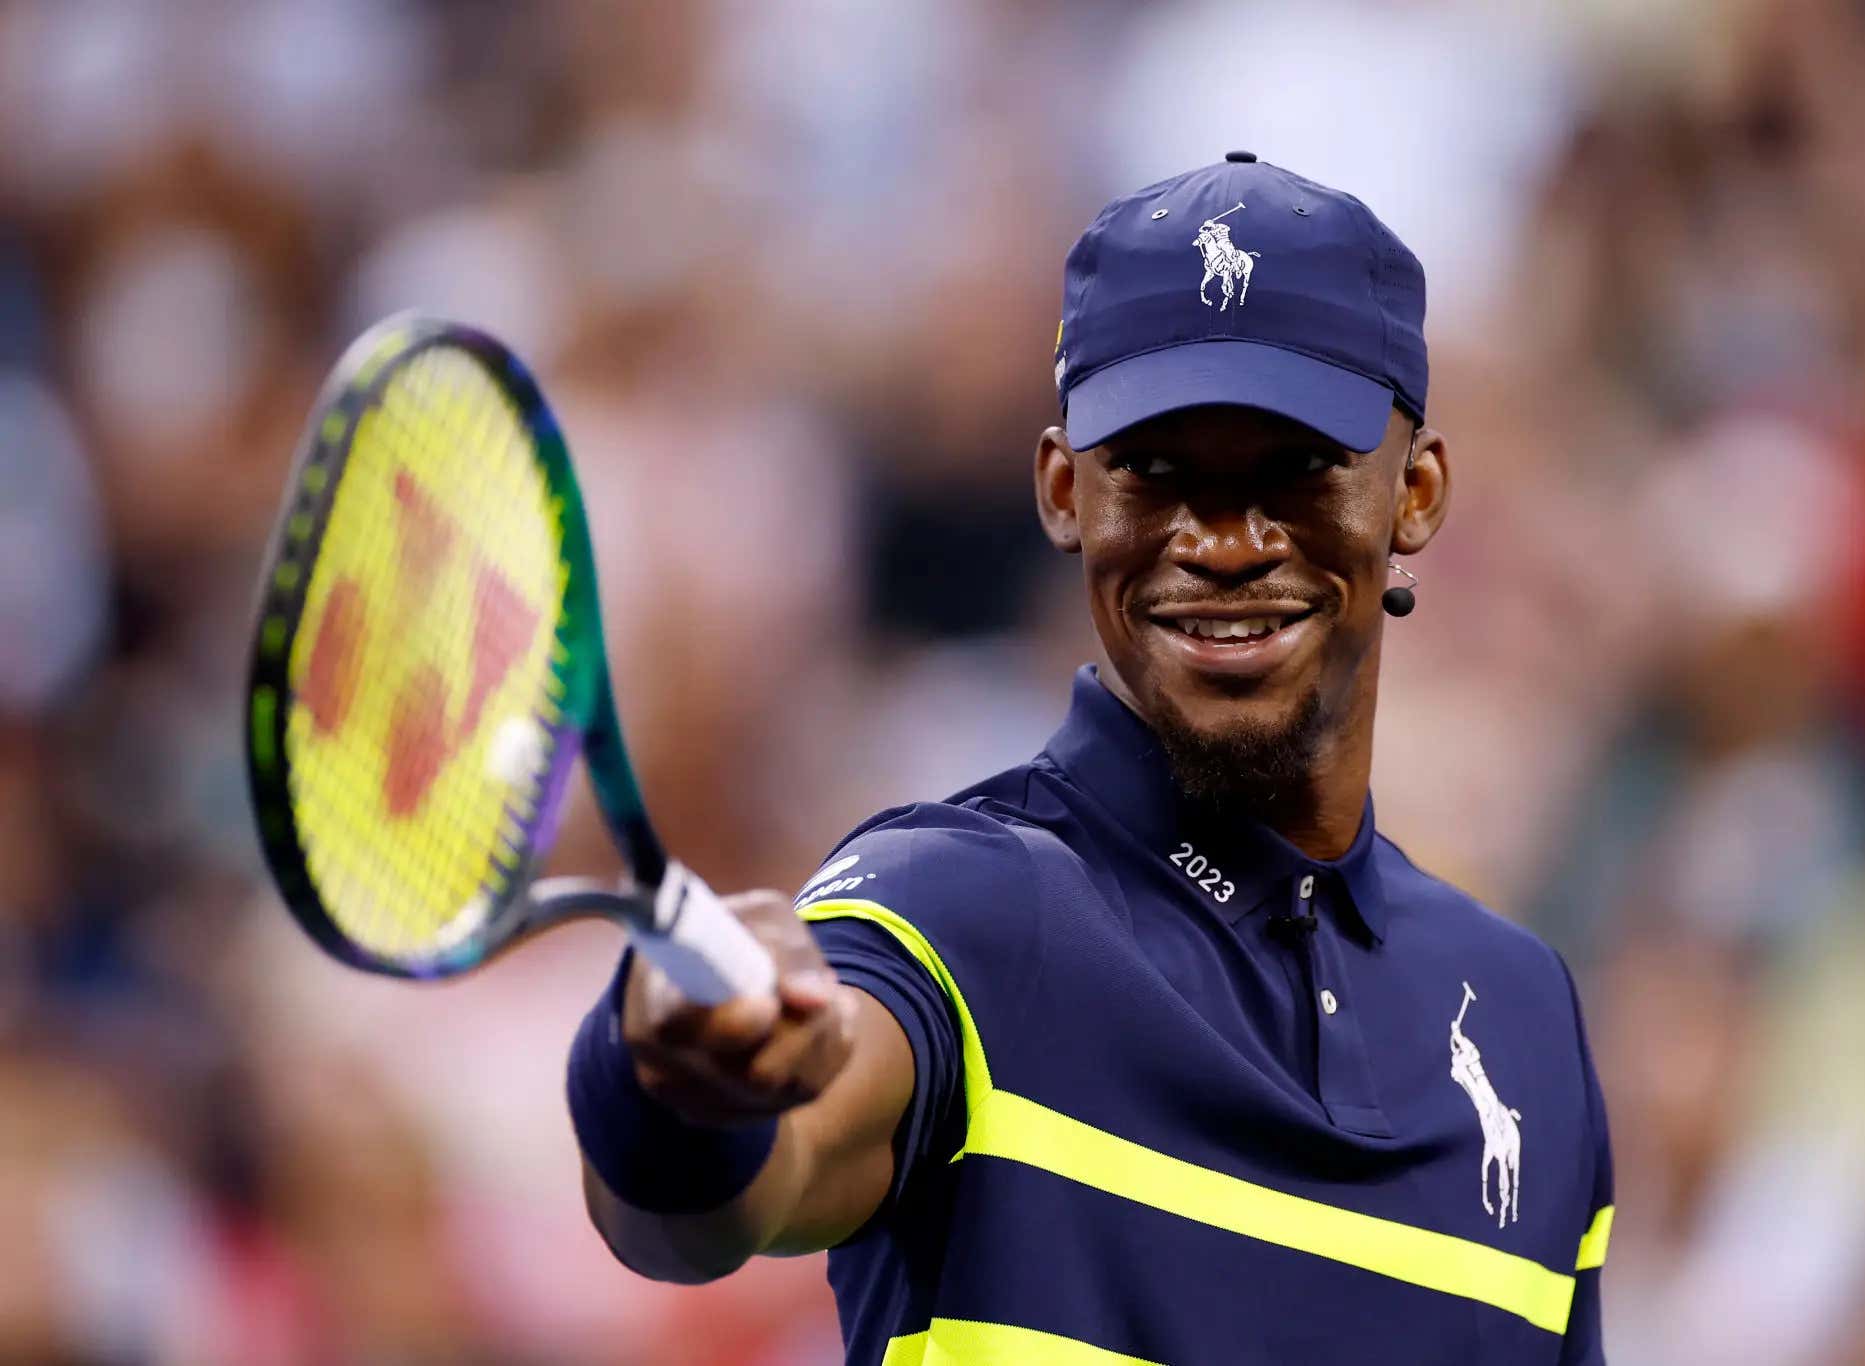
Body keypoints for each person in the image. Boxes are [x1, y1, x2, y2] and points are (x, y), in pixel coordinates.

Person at [567, 152, 1613, 1364]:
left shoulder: (1527, 1019)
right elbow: (719, 1196)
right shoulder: (955, 907)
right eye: (1157, 472)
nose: (1223, 541)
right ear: (1065, 492)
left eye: (1295, 466)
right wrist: (679, 1085)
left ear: (1414, 493)